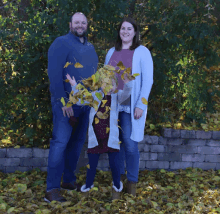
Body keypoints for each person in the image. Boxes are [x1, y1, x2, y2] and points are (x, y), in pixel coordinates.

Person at [44, 12, 99, 203]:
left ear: (87, 24)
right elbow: (54, 74)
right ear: (70, 24)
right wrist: (63, 102)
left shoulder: (91, 48)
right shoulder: (60, 43)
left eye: (83, 22)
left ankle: (68, 181)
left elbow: (94, 78)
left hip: (85, 106)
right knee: (60, 144)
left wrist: (94, 100)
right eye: (77, 22)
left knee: (76, 145)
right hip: (66, 106)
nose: (80, 25)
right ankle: (51, 189)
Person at [66, 67, 133, 200]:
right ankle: (87, 191)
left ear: (115, 85)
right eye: (105, 83)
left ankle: (116, 190)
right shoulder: (95, 96)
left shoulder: (116, 98)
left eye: (111, 83)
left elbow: (126, 94)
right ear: (100, 84)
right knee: (91, 167)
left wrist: (126, 83)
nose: (108, 86)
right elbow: (81, 98)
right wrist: (74, 85)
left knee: (115, 166)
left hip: (111, 139)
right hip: (95, 139)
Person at [104, 17, 153, 196]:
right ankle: (118, 183)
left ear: (135, 32)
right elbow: (105, 79)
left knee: (131, 146)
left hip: (131, 108)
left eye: (129, 29)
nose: (125, 31)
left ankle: (132, 183)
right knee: (116, 147)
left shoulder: (142, 52)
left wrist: (141, 104)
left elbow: (148, 81)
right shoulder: (111, 52)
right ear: (119, 31)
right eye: (123, 28)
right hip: (113, 107)